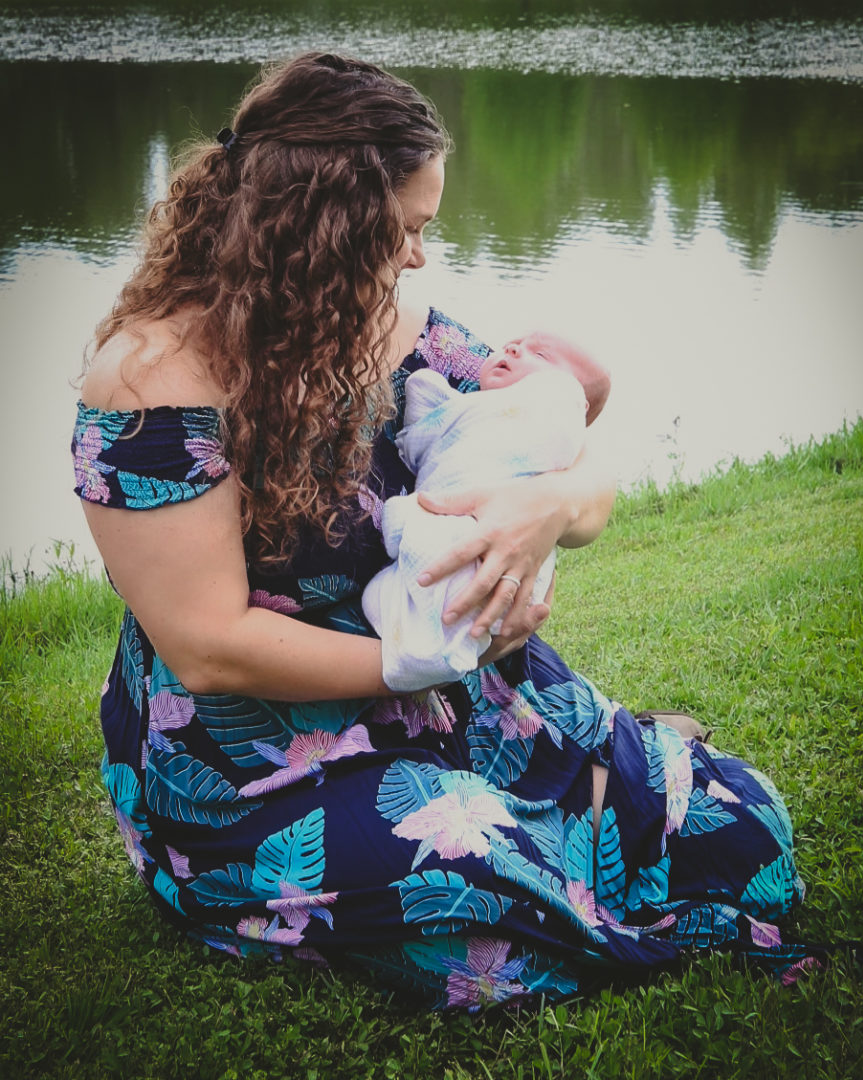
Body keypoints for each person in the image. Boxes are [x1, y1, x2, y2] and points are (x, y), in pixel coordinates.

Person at [73, 52, 820, 1013]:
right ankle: (472, 846)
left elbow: (568, 457)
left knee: (750, 833)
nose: (421, 254)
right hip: (252, 755)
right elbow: (209, 648)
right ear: (323, 221)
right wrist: (423, 661)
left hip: (458, 694)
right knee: (491, 933)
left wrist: (546, 510)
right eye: (410, 228)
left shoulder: (395, 323)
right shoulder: (150, 383)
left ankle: (572, 801)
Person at [362, 331, 611, 692]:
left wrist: (553, 503)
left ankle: (436, 638)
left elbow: (593, 475)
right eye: (516, 343)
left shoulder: (548, 406)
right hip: (373, 665)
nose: (511, 347)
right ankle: (431, 646)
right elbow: (434, 422)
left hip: (503, 622)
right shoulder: (483, 396)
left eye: (538, 354)